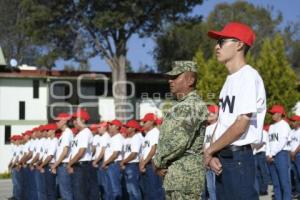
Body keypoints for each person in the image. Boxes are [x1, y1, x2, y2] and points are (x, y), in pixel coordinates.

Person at [204, 22, 267, 200]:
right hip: (225, 157)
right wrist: (213, 154)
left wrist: (209, 151)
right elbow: (223, 123)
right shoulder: (230, 79)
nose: (217, 46)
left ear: (239, 44)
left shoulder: (248, 76)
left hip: (238, 158)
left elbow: (240, 125)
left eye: (222, 41)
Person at [153, 61, 208, 199]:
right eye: (170, 77)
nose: (170, 81)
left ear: (191, 80)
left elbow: (179, 140)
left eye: (176, 77)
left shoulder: (192, 105)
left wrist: (158, 161)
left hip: (186, 179)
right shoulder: (181, 106)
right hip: (175, 177)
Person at [266, 104, 292, 200]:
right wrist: (268, 154)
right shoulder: (271, 126)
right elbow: (269, 141)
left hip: (281, 155)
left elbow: (282, 142)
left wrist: (272, 153)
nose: (272, 115)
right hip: (272, 155)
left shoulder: (284, 125)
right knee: (276, 184)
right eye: (271, 113)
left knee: (284, 183)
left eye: (274, 113)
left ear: (280, 114)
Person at [139, 113, 164, 200]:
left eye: (145, 121)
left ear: (151, 122)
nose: (143, 123)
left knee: (155, 190)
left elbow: (154, 149)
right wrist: (141, 164)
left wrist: (143, 163)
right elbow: (144, 151)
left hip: (153, 164)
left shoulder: (155, 132)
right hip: (146, 164)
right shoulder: (148, 134)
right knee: (147, 191)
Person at [51, 112, 74, 200]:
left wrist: (55, 165)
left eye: (58, 121)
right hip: (62, 165)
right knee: (64, 192)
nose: (56, 123)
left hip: (64, 165)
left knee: (66, 192)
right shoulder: (64, 134)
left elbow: (65, 152)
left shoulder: (67, 133)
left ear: (64, 121)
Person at [203, 105, 219, 200]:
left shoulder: (219, 125)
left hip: (215, 158)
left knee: (216, 186)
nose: (209, 114)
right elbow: (204, 144)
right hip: (207, 159)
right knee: (210, 187)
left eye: (211, 112)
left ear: (217, 114)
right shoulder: (207, 128)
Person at [252, 125, 269, 196]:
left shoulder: (264, 132)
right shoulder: (256, 132)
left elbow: (263, 143)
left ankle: (264, 189)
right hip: (255, 153)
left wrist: (254, 146)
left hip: (261, 153)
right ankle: (259, 189)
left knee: (263, 172)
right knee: (257, 173)